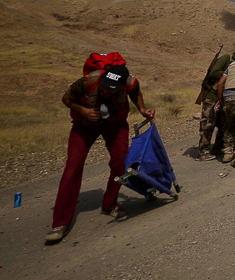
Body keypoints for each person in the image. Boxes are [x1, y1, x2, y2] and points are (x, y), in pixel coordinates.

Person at [46, 60, 155, 243]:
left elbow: (136, 93)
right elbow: (67, 98)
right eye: (103, 88)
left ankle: (110, 205)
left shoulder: (130, 83)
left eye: (110, 90)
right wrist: (84, 110)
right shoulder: (89, 81)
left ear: (120, 86)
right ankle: (60, 223)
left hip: (115, 124)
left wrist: (142, 110)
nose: (105, 92)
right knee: (73, 168)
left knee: (120, 162)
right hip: (84, 125)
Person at [196, 50, 232, 161]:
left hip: (220, 98)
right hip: (211, 97)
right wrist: (229, 73)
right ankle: (203, 152)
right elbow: (214, 72)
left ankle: (217, 148)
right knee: (208, 124)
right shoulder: (226, 57)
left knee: (223, 124)